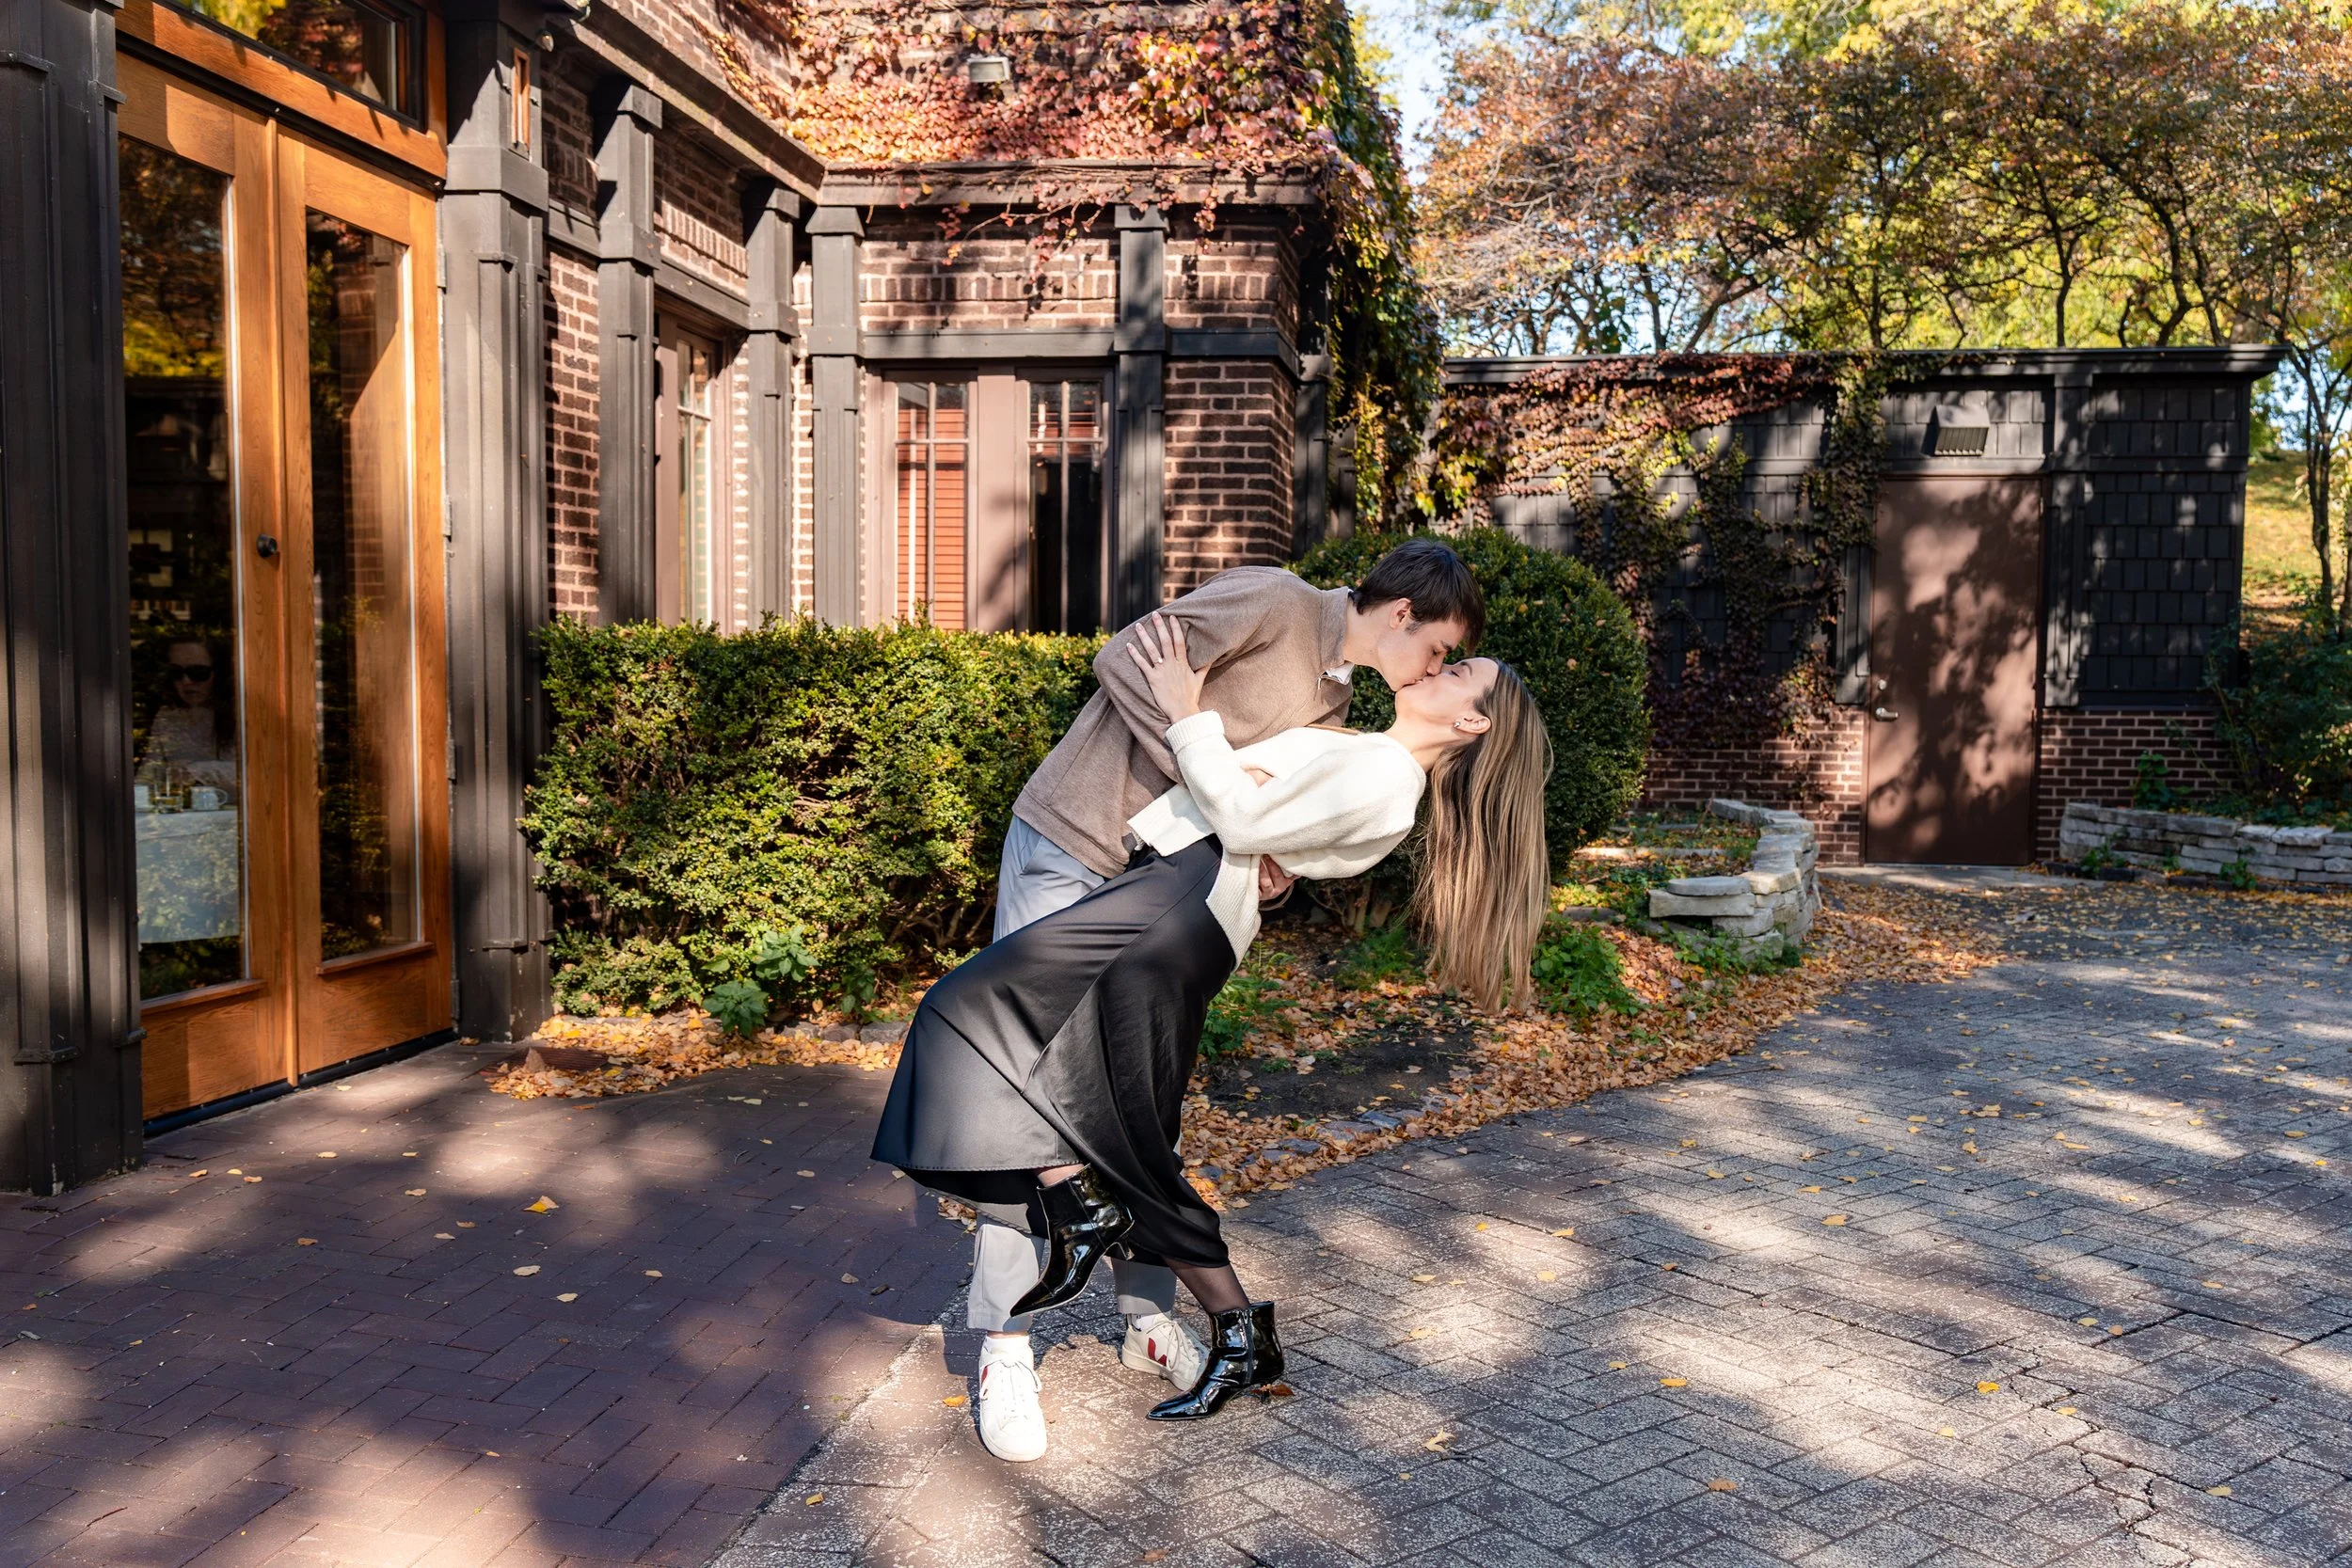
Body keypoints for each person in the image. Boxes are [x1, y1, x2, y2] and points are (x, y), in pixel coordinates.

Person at [874, 613, 1553, 1438]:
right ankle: (1237, 1332)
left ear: (1471, 722)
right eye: (1445, 658)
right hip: (1181, 896)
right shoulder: (1375, 757)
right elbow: (1269, 829)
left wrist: (1180, 701)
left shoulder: (1388, 774)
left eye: (1458, 672)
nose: (1436, 671)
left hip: (1177, 897)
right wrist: (1266, 845)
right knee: (1121, 1127)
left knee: (968, 1008)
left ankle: (1079, 1207)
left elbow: (1241, 819)